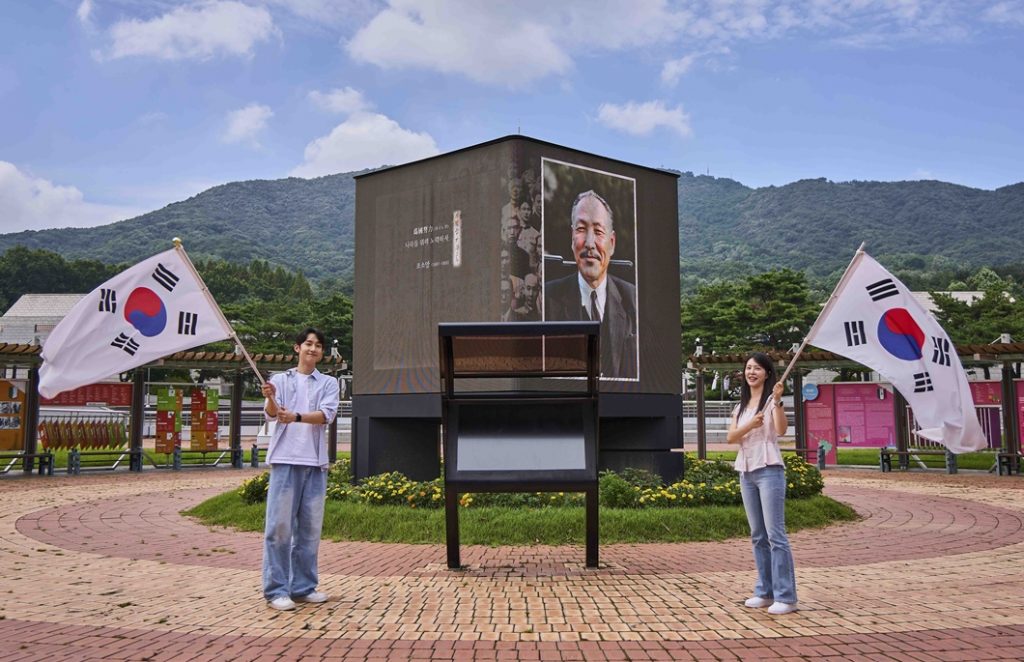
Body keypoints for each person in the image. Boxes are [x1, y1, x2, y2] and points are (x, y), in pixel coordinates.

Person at [260, 327, 340, 611]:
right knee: (279, 528)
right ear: (297, 348)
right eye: (308, 343)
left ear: (321, 352)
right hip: (285, 460)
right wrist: (270, 397)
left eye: (318, 345)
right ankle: (276, 590)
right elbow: (271, 414)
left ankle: (303, 587)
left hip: (315, 464)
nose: (312, 348)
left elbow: (326, 415)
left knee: (309, 531)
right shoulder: (280, 380)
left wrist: (295, 416)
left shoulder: (329, 383)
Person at [726, 352, 797, 615]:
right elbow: (732, 437)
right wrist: (750, 425)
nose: (751, 372)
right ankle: (765, 592)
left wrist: (777, 401)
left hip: (769, 470)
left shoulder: (771, 402)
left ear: (767, 373)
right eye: (748, 368)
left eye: (757, 368)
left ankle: (786, 597)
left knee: (775, 535)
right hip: (746, 472)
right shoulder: (741, 406)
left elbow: (781, 430)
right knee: (758, 535)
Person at [545, 190, 637, 379]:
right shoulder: (547, 298)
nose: (589, 243)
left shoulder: (635, 300)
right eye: (581, 229)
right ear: (572, 238)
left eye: (598, 232)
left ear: (612, 243)